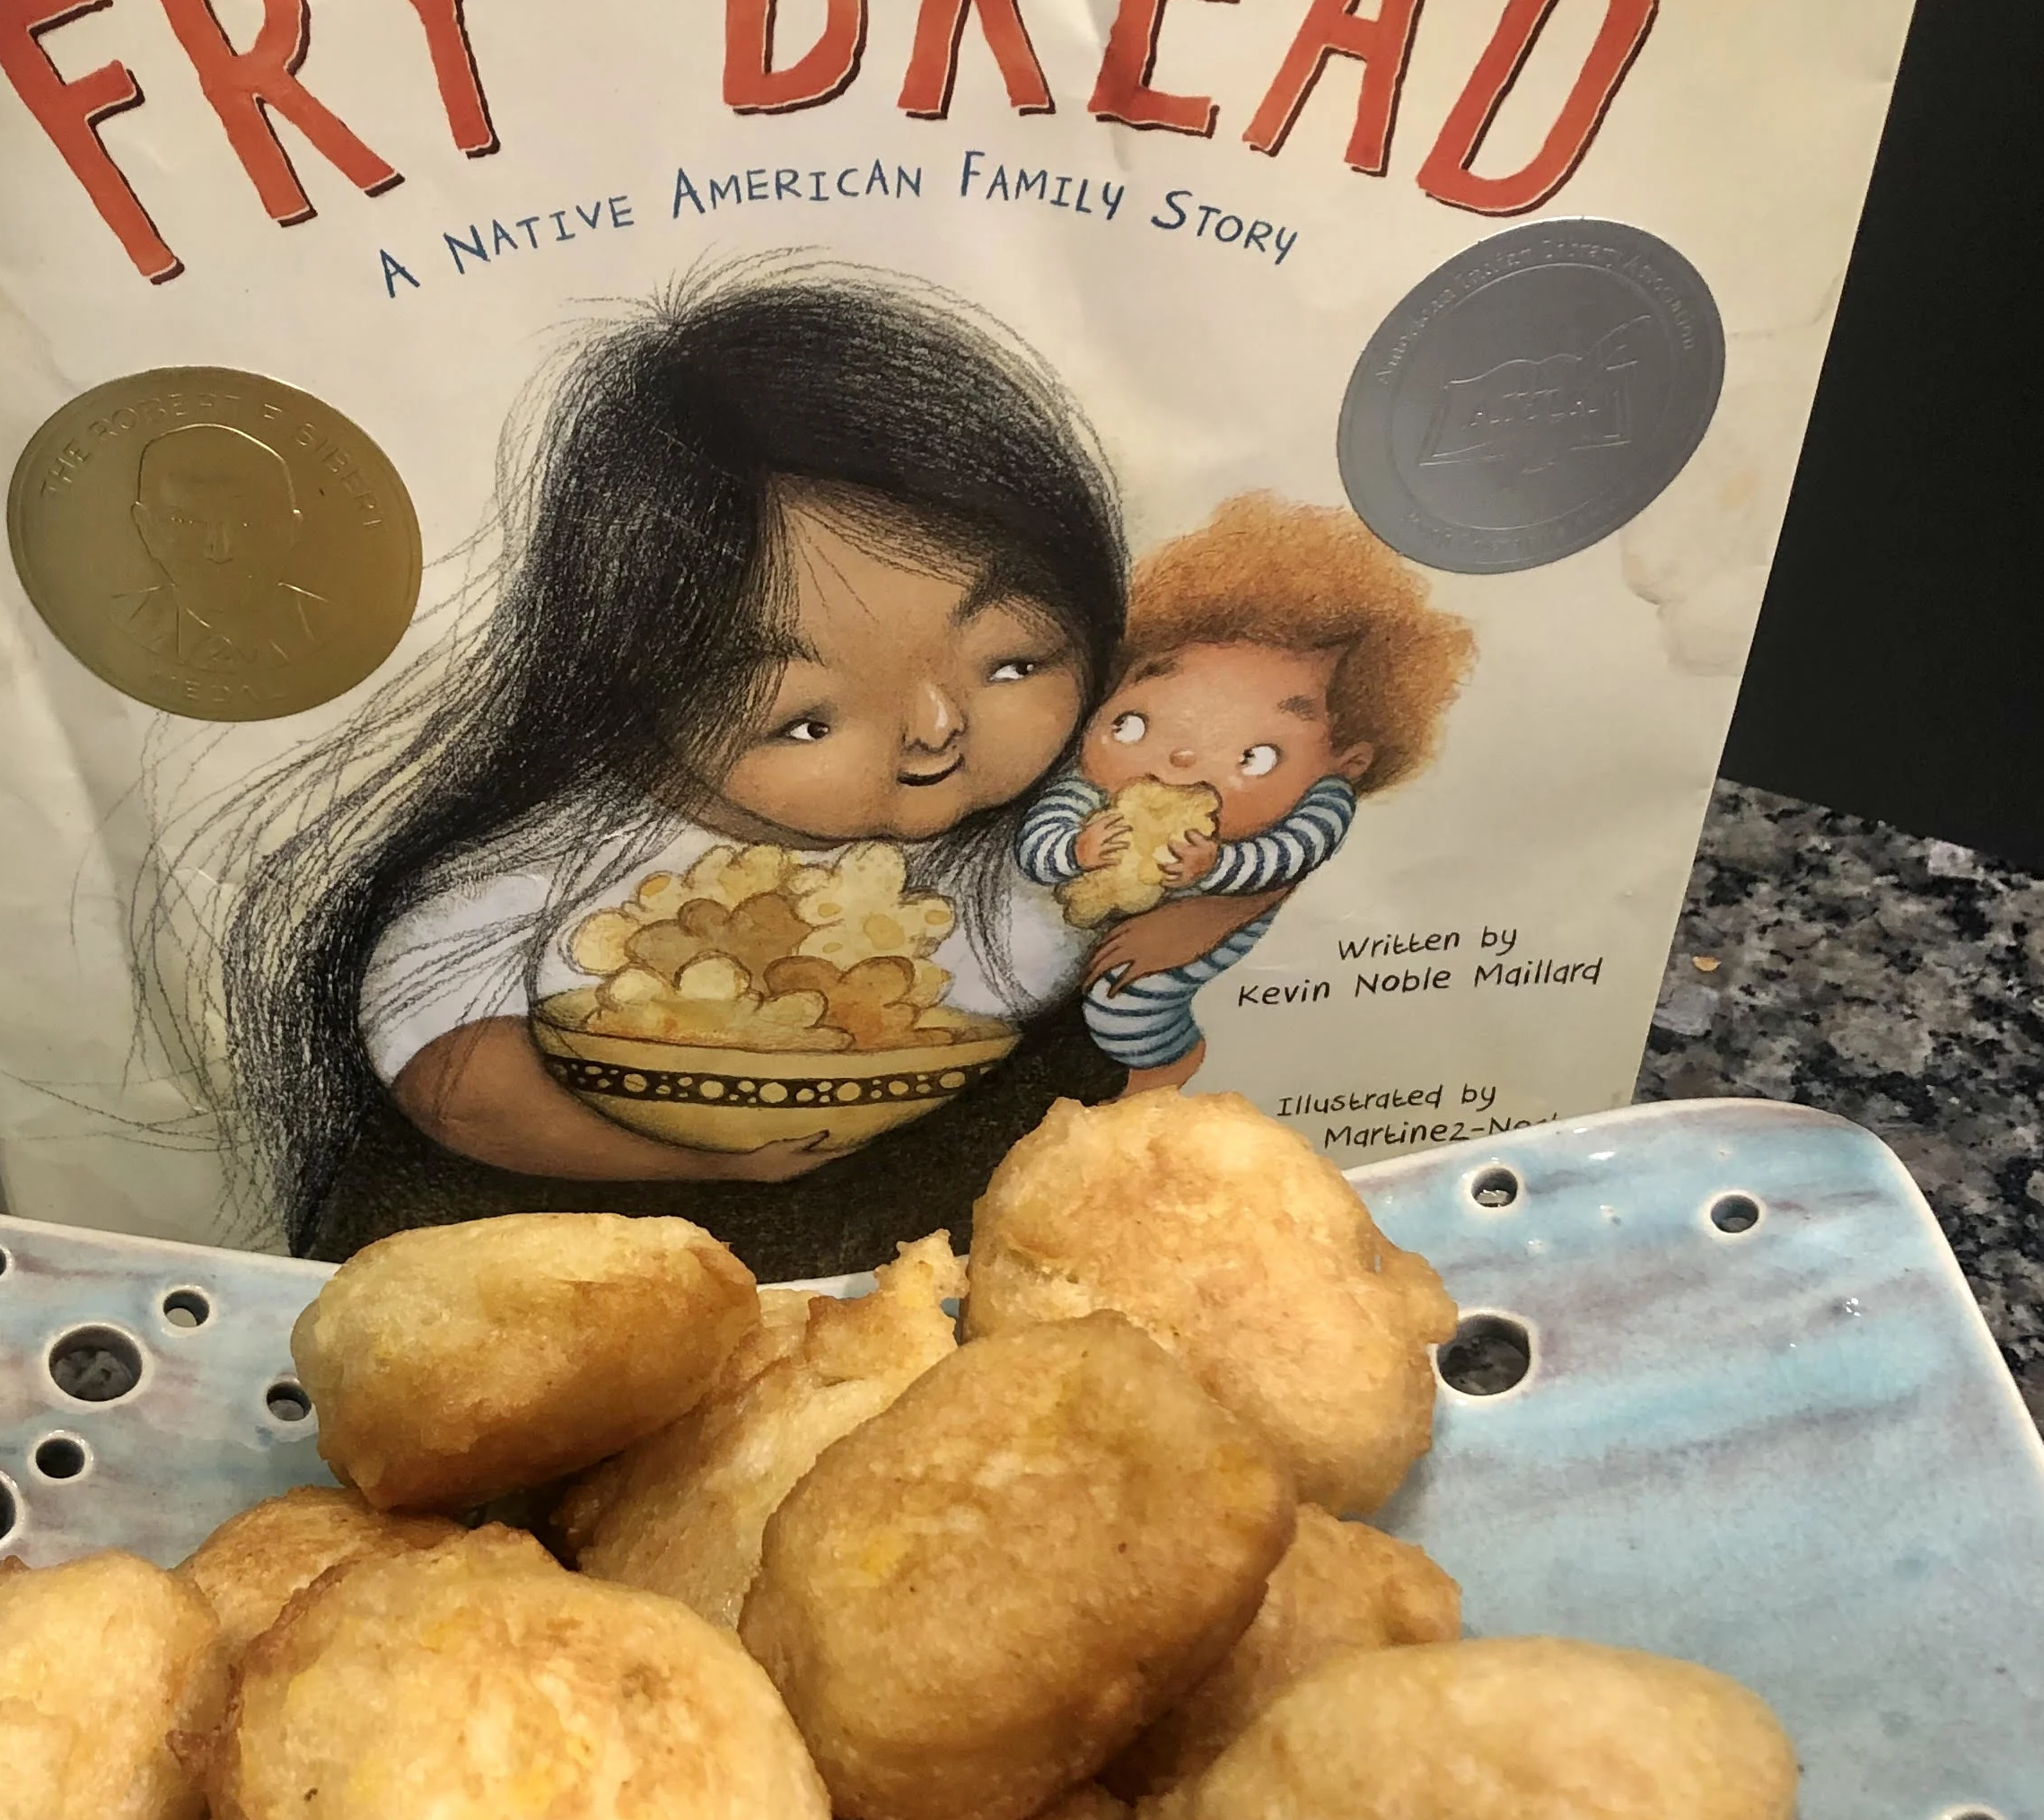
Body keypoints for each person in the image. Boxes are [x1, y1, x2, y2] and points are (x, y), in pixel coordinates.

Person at [184, 257, 1130, 1263]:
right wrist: (721, 1165)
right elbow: (453, 1076)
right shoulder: (572, 854)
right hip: (618, 1232)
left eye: (1013, 660)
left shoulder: (1071, 823)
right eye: (803, 719)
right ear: (629, 696)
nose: (938, 730)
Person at [1015, 495, 1474, 1092]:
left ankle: (1162, 1066)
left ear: (1347, 760)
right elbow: (1041, 834)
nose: (1176, 759)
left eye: (1253, 757)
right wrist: (1074, 849)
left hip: (1229, 914)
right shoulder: (1095, 784)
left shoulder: (1327, 800)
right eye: (1131, 723)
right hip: (1091, 920)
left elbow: (1296, 852)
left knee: (1124, 997)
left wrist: (1220, 864)